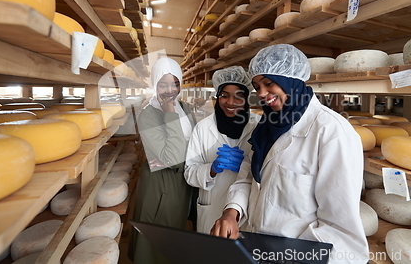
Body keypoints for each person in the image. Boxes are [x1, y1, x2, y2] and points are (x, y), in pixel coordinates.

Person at [211, 45, 368, 264]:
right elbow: (249, 177)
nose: (261, 94)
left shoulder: (331, 133)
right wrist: (232, 211)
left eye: (268, 83)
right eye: (257, 86)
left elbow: (341, 232)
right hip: (254, 247)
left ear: (290, 80)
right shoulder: (266, 126)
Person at [131, 57, 196, 264]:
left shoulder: (185, 107)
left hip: (183, 182)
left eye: (174, 83)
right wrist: (170, 114)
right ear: (155, 85)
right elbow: (172, 157)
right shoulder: (149, 115)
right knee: (155, 244)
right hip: (161, 187)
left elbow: (194, 144)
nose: (170, 90)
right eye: (163, 84)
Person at [184, 66, 260, 234]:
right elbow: (189, 173)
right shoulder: (203, 128)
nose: (230, 102)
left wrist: (249, 165)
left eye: (238, 96)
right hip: (211, 208)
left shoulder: (258, 126)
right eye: (224, 96)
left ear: (247, 98)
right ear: (217, 98)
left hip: (245, 211)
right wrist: (212, 168)